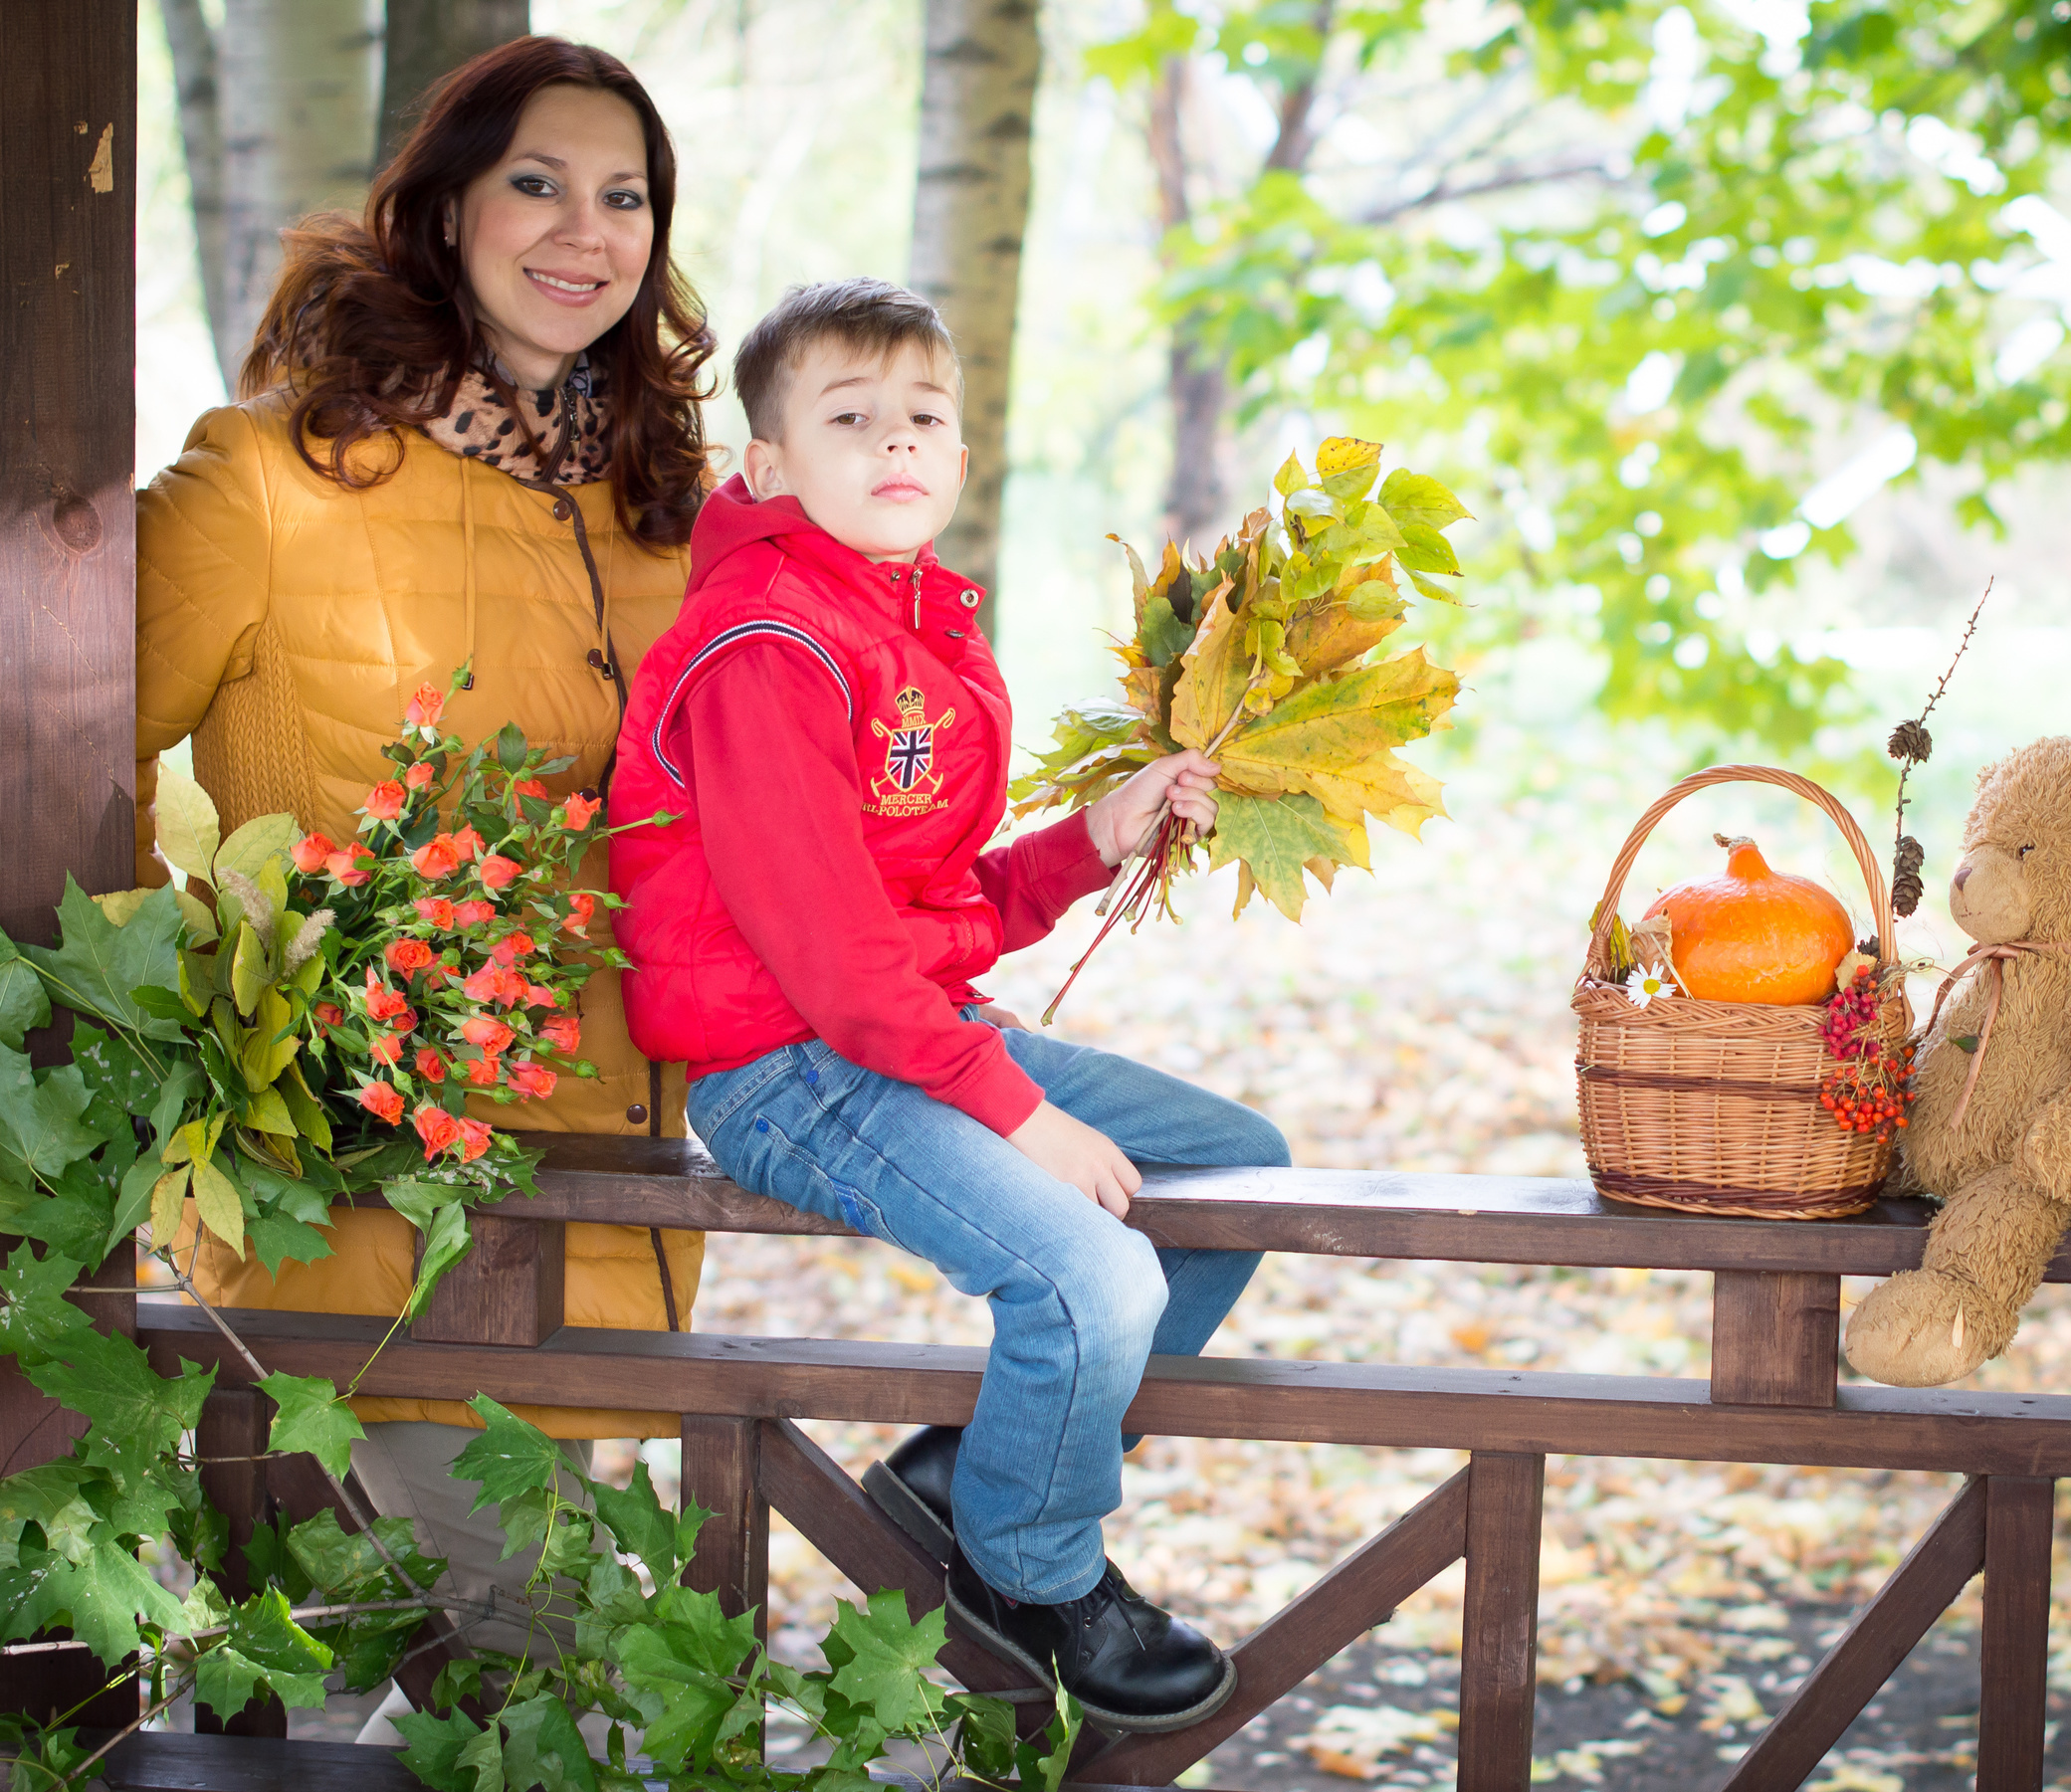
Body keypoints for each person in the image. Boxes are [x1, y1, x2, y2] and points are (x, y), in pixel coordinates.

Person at [610, 277, 1284, 1734]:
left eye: (924, 415)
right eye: (850, 417)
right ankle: (1029, 1573)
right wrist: (1018, 1111)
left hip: (887, 1026)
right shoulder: (767, 647)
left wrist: (1089, 840)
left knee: (1235, 1172)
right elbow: (836, 955)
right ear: (769, 465)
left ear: (963, 458)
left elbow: (921, 907)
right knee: (1092, 1277)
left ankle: (971, 1464)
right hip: (783, 1060)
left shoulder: (908, 625)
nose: (896, 441)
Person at [133, 37, 713, 1714]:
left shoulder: (666, 514)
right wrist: (201, 990)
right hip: (355, 1212)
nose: (583, 228)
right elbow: (54, 762)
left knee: (326, 1708)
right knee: (568, 1694)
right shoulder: (268, 479)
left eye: (626, 197)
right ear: (445, 205)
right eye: (538, 179)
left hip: (609, 1207)